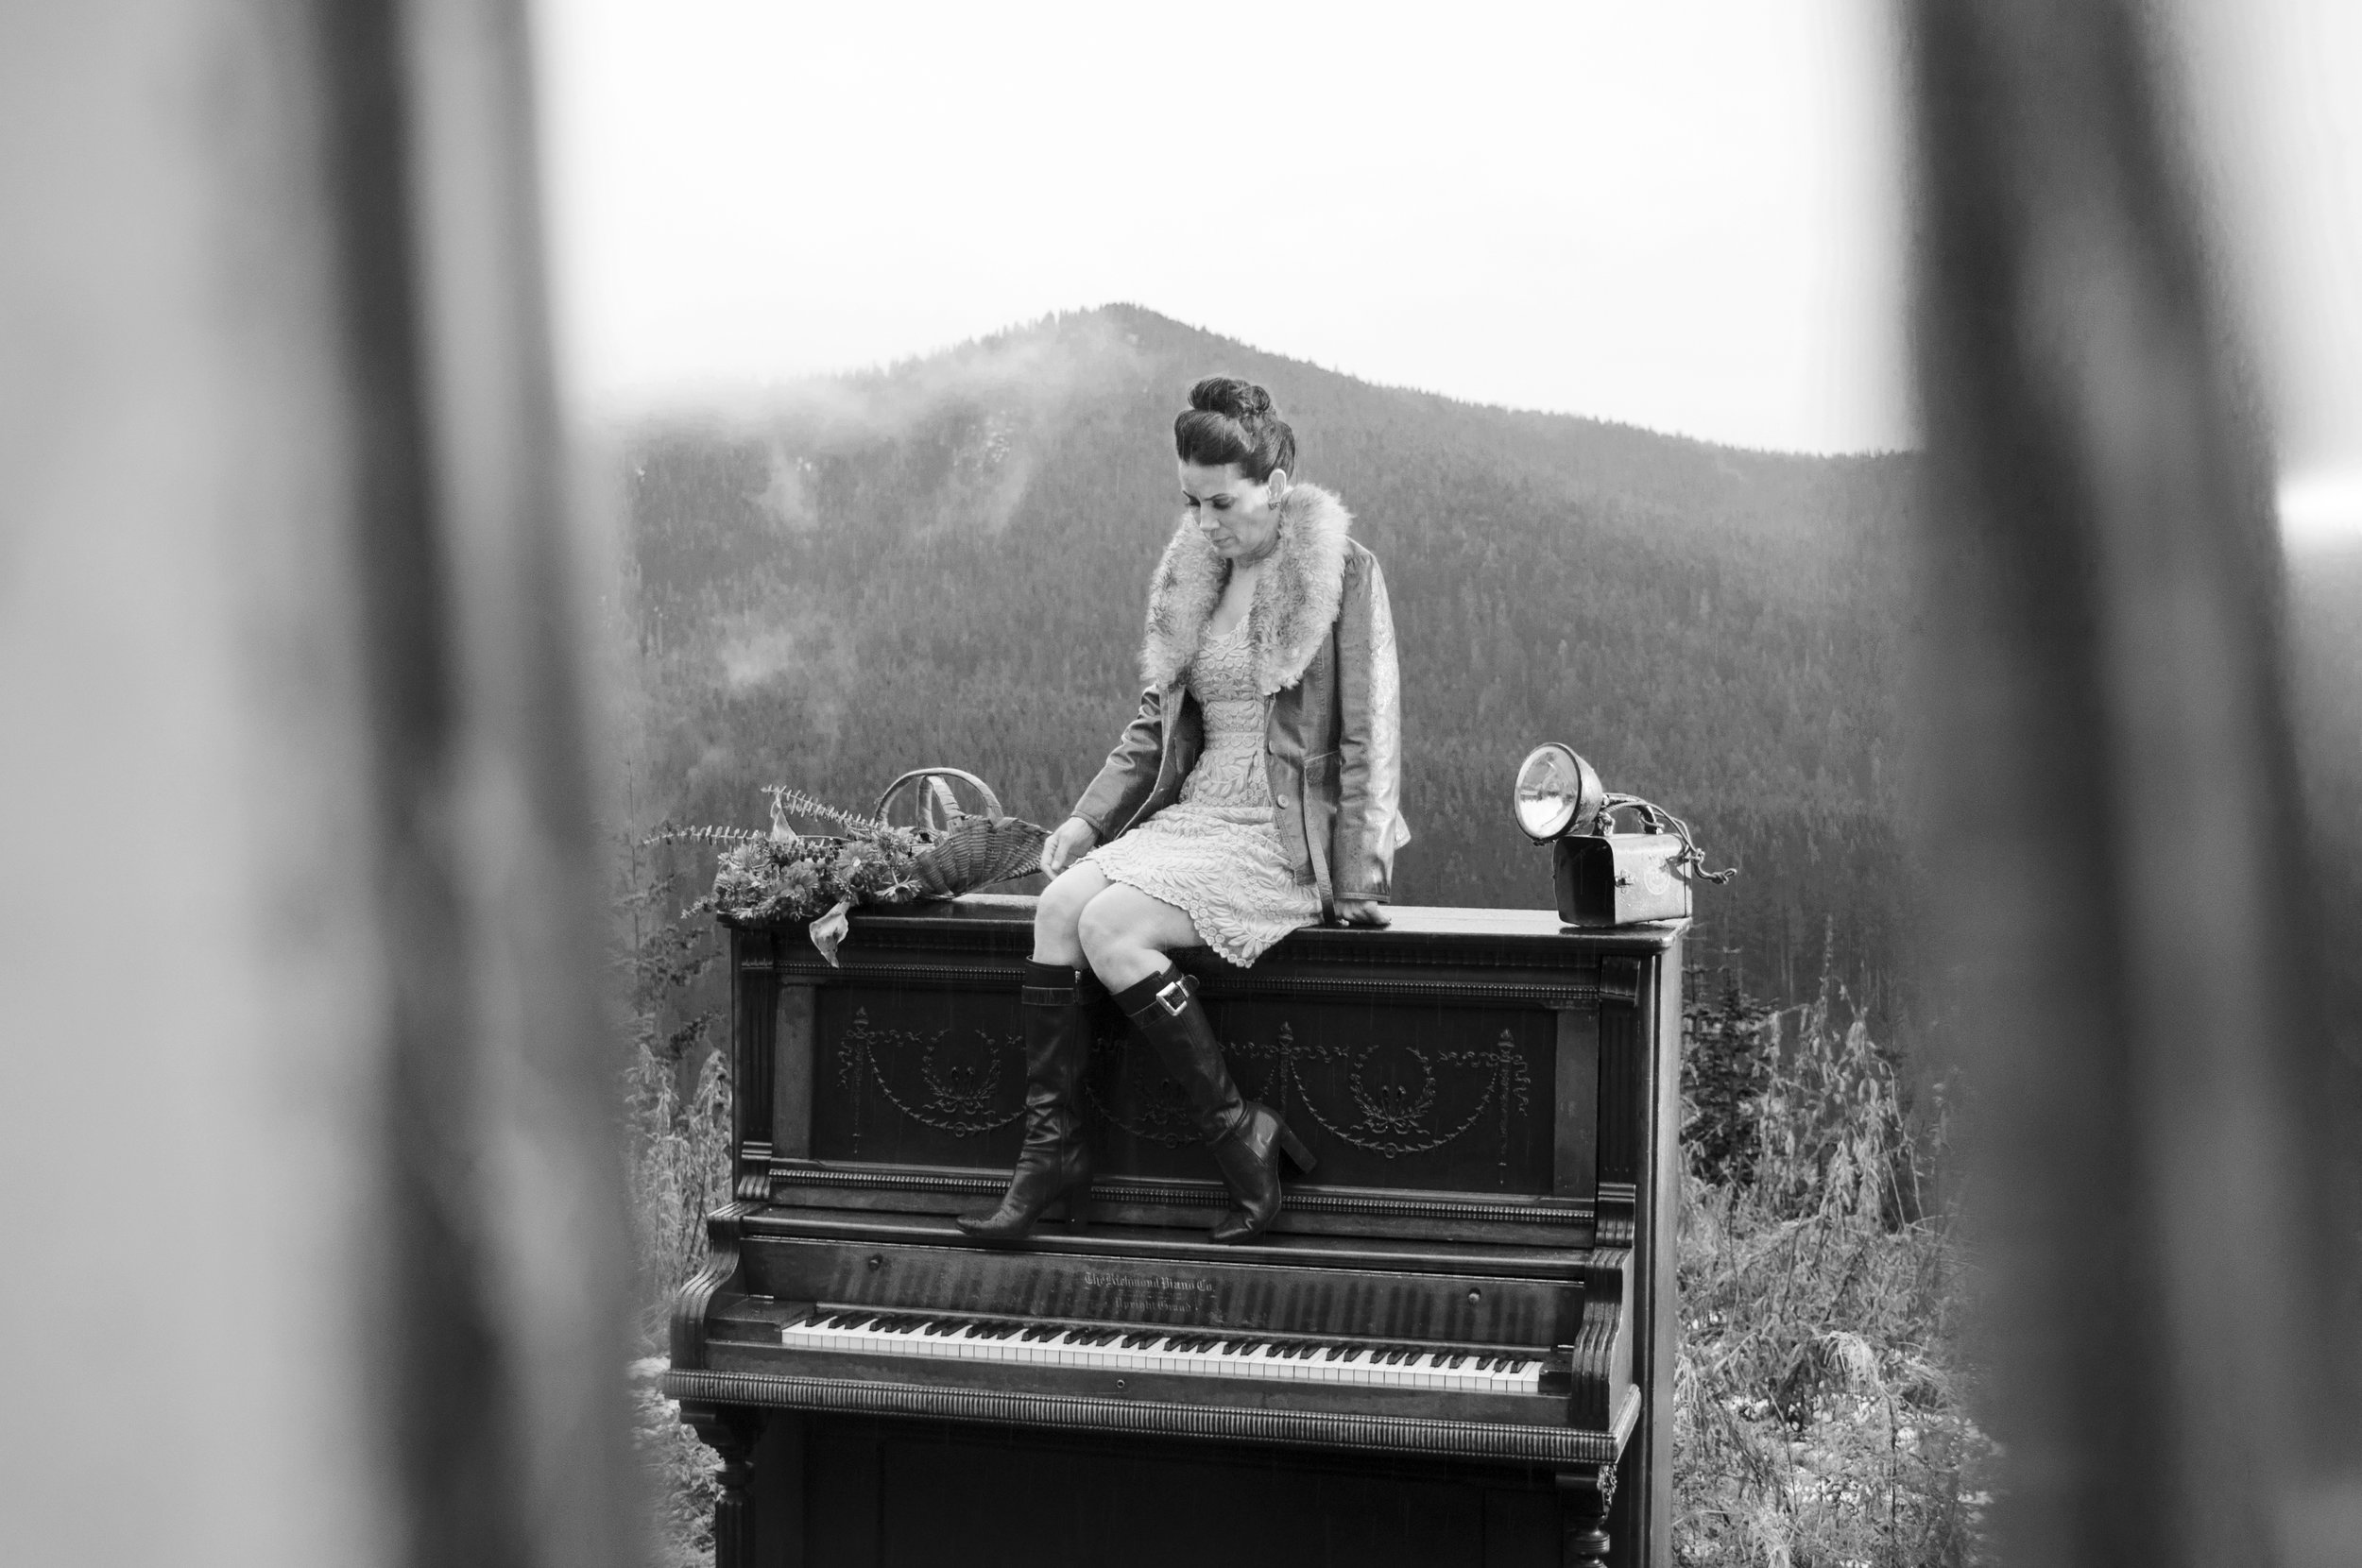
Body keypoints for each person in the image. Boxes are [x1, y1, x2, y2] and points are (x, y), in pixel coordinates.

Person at [959, 376, 1409, 1246]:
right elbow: (1153, 726)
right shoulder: (1194, 571)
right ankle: (1051, 1154)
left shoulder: (1342, 571)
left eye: (1222, 503)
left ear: (1276, 486)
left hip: (1282, 836)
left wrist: (1358, 878)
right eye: (1190, 503)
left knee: (1111, 931)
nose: (1205, 523)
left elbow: (1369, 738)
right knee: (1056, 909)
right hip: (1198, 814)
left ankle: (1240, 1137)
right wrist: (1089, 820)